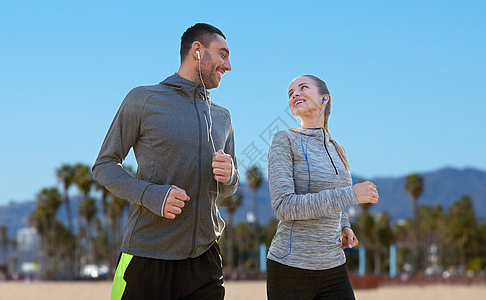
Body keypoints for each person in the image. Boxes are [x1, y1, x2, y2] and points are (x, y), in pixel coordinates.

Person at [92, 23, 239, 300]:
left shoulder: (223, 117)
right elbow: (105, 165)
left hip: (205, 261)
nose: (228, 65)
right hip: (148, 257)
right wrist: (152, 195)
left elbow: (229, 188)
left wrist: (230, 176)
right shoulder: (143, 99)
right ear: (197, 50)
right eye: (222, 54)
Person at [266, 75, 379, 299]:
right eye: (290, 93)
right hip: (291, 266)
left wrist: (344, 224)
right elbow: (283, 207)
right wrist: (350, 194)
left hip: (334, 266)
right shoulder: (284, 140)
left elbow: (331, 198)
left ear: (324, 98)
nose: (295, 94)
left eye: (302, 88)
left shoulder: (338, 149)